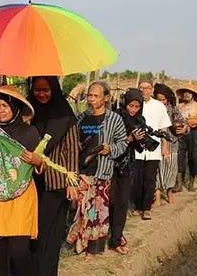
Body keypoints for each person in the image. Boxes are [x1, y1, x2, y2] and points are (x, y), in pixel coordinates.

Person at [0, 86, 44, 276]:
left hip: (20, 199)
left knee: (19, 253)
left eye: (5, 105)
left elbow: (41, 165)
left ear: (15, 108)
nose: (0, 110)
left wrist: (38, 161)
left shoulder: (30, 134)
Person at [67, 81, 127, 256]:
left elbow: (123, 143)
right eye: (89, 96)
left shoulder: (114, 119)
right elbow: (72, 139)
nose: (91, 99)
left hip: (102, 171)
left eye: (96, 96)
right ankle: (80, 243)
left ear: (106, 98)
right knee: (81, 209)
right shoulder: (81, 118)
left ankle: (93, 249)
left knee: (97, 212)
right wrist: (76, 145)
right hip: (82, 171)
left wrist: (111, 149)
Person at [27, 76, 80, 276]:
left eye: (45, 90)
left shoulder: (65, 115)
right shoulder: (27, 111)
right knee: (31, 233)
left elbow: (73, 150)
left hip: (55, 182)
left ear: (54, 90)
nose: (41, 94)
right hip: (29, 182)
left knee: (49, 234)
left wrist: (72, 182)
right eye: (37, 90)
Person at [111, 88, 146, 254]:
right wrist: (128, 139)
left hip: (127, 166)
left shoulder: (140, 121)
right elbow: (110, 140)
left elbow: (139, 148)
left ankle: (117, 238)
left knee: (123, 202)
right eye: (131, 105)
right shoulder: (114, 117)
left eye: (137, 106)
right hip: (110, 165)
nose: (133, 109)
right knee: (109, 202)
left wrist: (140, 141)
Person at [132, 79, 172, 219]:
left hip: (153, 147)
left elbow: (164, 127)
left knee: (150, 179)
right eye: (142, 88)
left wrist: (165, 147)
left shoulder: (159, 106)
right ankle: (137, 206)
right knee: (137, 179)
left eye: (147, 88)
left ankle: (146, 208)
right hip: (136, 147)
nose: (145, 90)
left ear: (151, 90)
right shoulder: (134, 105)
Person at [153, 83, 187, 205]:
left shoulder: (173, 109)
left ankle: (169, 192)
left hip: (172, 143)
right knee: (158, 169)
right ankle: (157, 196)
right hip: (157, 143)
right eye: (159, 99)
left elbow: (184, 123)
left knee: (171, 168)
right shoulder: (152, 109)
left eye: (164, 99)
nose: (162, 102)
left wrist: (184, 129)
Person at [176, 84, 197, 191]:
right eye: (185, 92)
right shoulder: (180, 106)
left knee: (194, 157)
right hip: (181, 133)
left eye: (189, 92)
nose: (186, 94)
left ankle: (191, 183)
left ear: (193, 95)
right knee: (180, 156)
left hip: (195, 133)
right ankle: (179, 183)